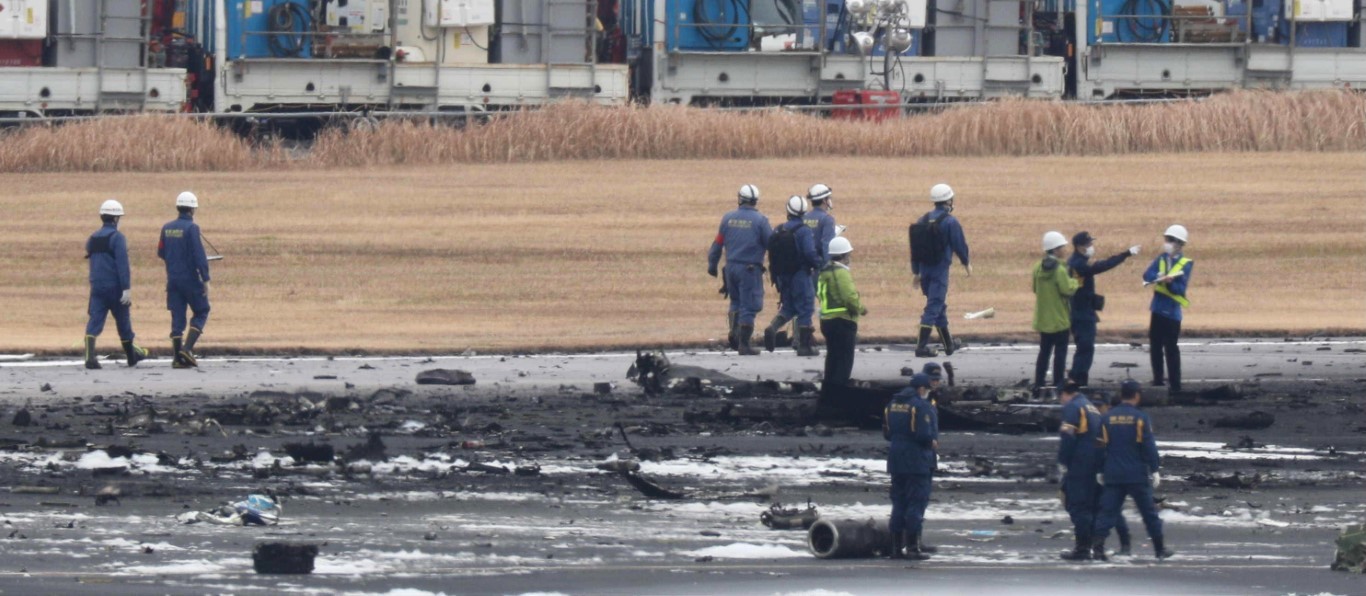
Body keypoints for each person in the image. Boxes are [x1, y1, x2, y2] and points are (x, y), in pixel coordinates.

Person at [1093, 379, 1174, 561]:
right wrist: (1154, 469)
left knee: (1107, 512)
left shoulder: (1107, 418)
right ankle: (1160, 549)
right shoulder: (1140, 418)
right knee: (1148, 514)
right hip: (1136, 474)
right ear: (1137, 396)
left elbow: (1099, 447)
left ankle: (1098, 548)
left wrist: (1099, 470)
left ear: (1121, 395)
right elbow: (1148, 446)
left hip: (1113, 474)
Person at [1067, 232, 1140, 388]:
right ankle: (1077, 380)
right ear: (1080, 247)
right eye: (1088, 245)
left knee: (1084, 348)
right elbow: (1101, 266)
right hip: (1082, 313)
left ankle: (1078, 379)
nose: (1091, 247)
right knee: (1086, 348)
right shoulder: (1078, 264)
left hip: (1082, 311)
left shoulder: (1076, 262)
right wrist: (1125, 254)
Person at [708, 185, 773, 356]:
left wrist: (712, 265)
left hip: (730, 269)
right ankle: (744, 344)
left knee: (735, 302)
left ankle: (734, 334)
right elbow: (771, 245)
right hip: (750, 270)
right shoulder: (761, 220)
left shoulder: (728, 218)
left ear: (740, 198)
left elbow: (717, 244)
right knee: (749, 305)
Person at [83, 200, 148, 370]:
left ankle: (90, 356)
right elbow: (122, 265)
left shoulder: (92, 238)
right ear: (116, 218)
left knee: (95, 321)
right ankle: (131, 357)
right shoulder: (118, 238)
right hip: (115, 287)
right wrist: (126, 289)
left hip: (96, 286)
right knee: (123, 322)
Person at [909, 184, 970, 358]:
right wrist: (966, 263)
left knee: (938, 307)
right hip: (939, 271)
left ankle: (948, 344)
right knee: (933, 307)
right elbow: (959, 245)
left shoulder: (923, 219)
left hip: (924, 271)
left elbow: (915, 247)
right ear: (948, 200)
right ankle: (921, 347)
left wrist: (916, 271)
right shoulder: (951, 222)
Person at [884, 373, 939, 560]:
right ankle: (913, 547)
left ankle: (895, 548)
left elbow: (887, 433)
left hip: (895, 458)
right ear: (922, 389)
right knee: (916, 502)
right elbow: (923, 435)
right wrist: (931, 442)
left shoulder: (892, 404)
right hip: (916, 461)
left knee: (898, 502)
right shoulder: (920, 406)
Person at [159, 191, 213, 369]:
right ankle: (187, 349)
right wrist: (205, 279)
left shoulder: (166, 227)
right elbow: (199, 256)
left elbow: (161, 252)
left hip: (172, 279)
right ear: (192, 209)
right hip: (190, 279)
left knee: (177, 318)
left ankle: (176, 358)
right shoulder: (192, 228)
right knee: (202, 310)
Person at [763, 196, 823, 356]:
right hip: (800, 276)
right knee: (805, 308)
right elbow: (810, 253)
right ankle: (804, 346)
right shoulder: (803, 231)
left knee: (789, 307)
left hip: (782, 277)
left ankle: (773, 327)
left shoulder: (778, 229)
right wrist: (819, 263)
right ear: (804, 212)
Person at [817, 237, 867, 410]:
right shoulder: (841, 273)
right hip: (843, 322)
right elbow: (849, 297)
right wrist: (861, 309)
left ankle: (828, 397)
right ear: (844, 255)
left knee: (832, 360)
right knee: (844, 362)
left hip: (827, 321)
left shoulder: (824, 272)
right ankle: (838, 401)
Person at [1056, 381, 1103, 561]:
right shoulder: (1091, 407)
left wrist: (1063, 461)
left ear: (1064, 394)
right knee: (1091, 506)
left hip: (1080, 464)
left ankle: (1082, 548)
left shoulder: (1073, 407)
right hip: (1096, 463)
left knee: (1077, 505)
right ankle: (1095, 546)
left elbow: (1068, 436)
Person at [1143, 225, 1193, 393]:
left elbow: (1181, 288)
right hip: (1157, 309)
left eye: (1170, 240)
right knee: (1155, 345)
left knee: (1171, 348)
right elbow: (1147, 275)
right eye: (1167, 240)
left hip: (1172, 313)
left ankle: (1175, 383)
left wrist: (1170, 284)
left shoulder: (1185, 264)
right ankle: (1158, 379)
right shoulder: (1161, 259)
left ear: (1179, 244)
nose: (1167, 243)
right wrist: (1157, 277)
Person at [1033, 232, 1080, 396]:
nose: (1065, 250)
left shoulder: (1037, 267)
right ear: (1056, 249)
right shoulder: (1060, 270)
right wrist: (1075, 281)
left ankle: (1038, 382)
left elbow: (1034, 288)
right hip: (1059, 319)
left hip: (1043, 318)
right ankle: (1058, 383)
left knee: (1044, 352)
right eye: (1062, 247)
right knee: (1060, 354)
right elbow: (1068, 290)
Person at [1096, 392, 1133, 557]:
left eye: (1100, 406)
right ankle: (1122, 544)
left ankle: (1102, 545)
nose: (1097, 409)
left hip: (1115, 472)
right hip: (1113, 471)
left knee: (1111, 509)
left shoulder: (1108, 423)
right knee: (1111, 509)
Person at [804, 183, 837, 266]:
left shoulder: (804, 218)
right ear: (823, 200)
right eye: (828, 198)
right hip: (819, 266)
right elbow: (827, 245)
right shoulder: (827, 219)